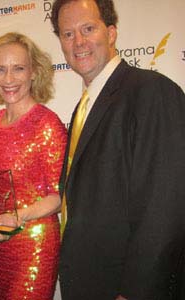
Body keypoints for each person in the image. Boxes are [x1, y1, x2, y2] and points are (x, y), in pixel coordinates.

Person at [51, 0, 185, 299]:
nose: (78, 42)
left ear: (111, 33)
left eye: (88, 28)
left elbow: (164, 208)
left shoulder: (152, 92)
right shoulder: (83, 109)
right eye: (67, 34)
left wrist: (134, 291)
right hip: (89, 282)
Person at [0, 32, 67, 299]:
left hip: (34, 244)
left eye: (18, 68)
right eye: (0, 70)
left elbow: (58, 196)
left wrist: (18, 217)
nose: (8, 79)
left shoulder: (47, 123)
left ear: (33, 72)